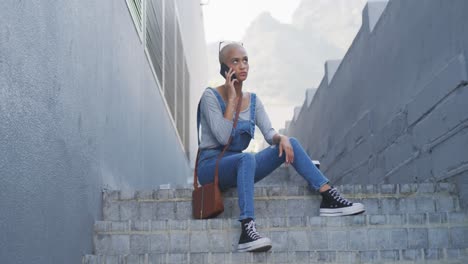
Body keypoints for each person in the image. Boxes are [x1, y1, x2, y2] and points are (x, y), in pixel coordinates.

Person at [196, 42, 365, 253]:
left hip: (239, 167)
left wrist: (281, 138)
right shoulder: (210, 97)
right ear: (224, 68)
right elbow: (222, 137)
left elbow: (269, 133)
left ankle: (328, 196)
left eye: (245, 60)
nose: (243, 66)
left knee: (290, 142)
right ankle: (247, 229)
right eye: (235, 61)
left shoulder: (253, 101)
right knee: (246, 158)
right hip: (211, 167)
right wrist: (231, 99)